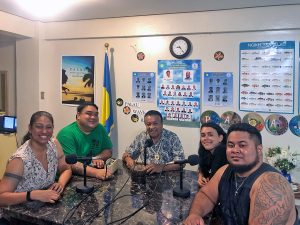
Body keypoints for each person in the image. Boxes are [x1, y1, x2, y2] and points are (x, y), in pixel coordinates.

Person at [184, 123, 298, 225]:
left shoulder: (271, 184)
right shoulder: (225, 170)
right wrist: (195, 214)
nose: (235, 150)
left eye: (242, 145)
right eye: (231, 145)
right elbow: (206, 195)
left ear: (259, 149)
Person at [0, 111, 72, 212]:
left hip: (44, 208)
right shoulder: (20, 159)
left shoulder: (54, 144)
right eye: (39, 126)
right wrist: (32, 195)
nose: (44, 131)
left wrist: (60, 183)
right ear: (30, 128)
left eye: (48, 127)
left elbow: (66, 168)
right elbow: (1, 197)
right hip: (18, 215)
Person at [57, 103, 113, 180]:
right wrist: (96, 172)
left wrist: (95, 158)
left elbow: (108, 151)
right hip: (68, 178)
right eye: (88, 114)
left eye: (96, 114)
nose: (93, 117)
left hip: (92, 174)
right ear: (78, 115)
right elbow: (71, 164)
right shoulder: (66, 134)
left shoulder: (100, 128)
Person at [198, 122, 227, 188]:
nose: (206, 138)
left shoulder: (222, 150)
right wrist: (201, 176)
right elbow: (202, 167)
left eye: (210, 135)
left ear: (220, 138)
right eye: (203, 135)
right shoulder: (205, 151)